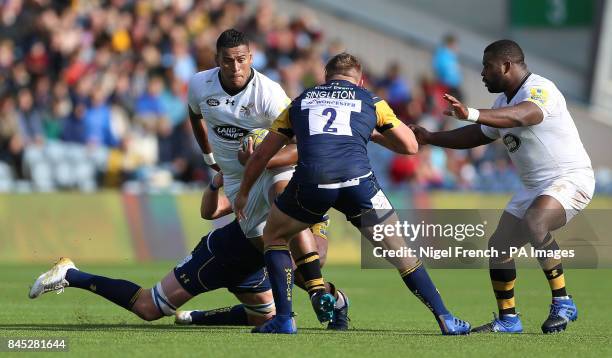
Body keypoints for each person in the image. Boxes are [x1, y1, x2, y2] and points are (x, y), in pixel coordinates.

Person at [234, 52, 471, 335]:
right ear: (360, 80)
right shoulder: (371, 100)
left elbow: (261, 155)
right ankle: (445, 317)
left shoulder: (302, 100)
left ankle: (284, 319)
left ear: (325, 78)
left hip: (313, 182)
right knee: (402, 254)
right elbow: (410, 147)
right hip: (359, 183)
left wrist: (243, 193)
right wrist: (371, 133)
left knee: (274, 236)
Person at [410, 39, 594, 334]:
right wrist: (431, 137)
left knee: (536, 221)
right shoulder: (502, 103)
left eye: (487, 66)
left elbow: (525, 115)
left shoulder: (539, 89)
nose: (482, 73)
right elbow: (476, 136)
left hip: (570, 178)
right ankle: (509, 319)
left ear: (506, 65)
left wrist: (470, 111)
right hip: (534, 186)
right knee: (499, 246)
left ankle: (563, 301)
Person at [186, 28, 348, 327]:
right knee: (280, 254)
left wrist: (262, 159)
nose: (235, 67)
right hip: (237, 180)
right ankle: (334, 298)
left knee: (283, 209)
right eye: (227, 61)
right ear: (216, 60)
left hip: (276, 168)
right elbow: (194, 115)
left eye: (241, 60)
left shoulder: (270, 95)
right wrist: (209, 157)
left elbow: (304, 146)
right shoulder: (199, 84)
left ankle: (301, 304)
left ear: (252, 57)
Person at [28, 171, 332, 329]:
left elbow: (313, 257)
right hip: (221, 256)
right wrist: (215, 183)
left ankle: (194, 318)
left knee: (265, 318)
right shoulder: (275, 185)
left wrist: (323, 287)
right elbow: (209, 212)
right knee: (148, 308)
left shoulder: (307, 194)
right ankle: (71, 273)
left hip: (253, 265)